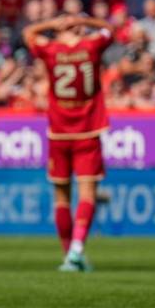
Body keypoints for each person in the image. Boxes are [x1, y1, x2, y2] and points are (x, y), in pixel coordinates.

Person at [23, 14, 114, 272]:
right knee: (87, 194)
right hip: (87, 130)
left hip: (59, 133)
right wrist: (88, 21)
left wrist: (51, 24)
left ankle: (69, 256)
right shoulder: (91, 46)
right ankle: (76, 251)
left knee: (61, 197)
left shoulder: (52, 50)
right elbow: (110, 30)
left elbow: (29, 33)